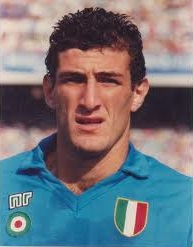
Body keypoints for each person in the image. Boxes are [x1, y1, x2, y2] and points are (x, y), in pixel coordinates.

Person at [0, 7, 192, 247]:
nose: (90, 101)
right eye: (74, 79)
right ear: (50, 91)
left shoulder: (184, 204)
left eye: (108, 81)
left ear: (137, 93)